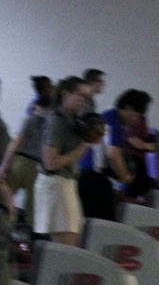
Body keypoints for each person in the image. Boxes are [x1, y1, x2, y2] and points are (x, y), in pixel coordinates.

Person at [34, 76, 98, 246]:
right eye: (80, 95)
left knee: (73, 241)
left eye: (86, 97)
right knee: (66, 246)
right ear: (65, 94)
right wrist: (84, 147)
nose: (84, 100)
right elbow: (50, 162)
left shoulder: (74, 120)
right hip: (55, 183)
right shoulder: (57, 121)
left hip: (66, 183)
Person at [0, 76, 54, 228]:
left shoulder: (29, 119)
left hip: (20, 162)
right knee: (32, 211)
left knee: (4, 199)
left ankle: (6, 227)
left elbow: (15, 143)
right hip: (38, 167)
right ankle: (28, 239)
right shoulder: (54, 125)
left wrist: (4, 167)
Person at [77, 89, 138, 220]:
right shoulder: (113, 120)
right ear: (128, 109)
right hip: (92, 177)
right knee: (102, 222)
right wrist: (125, 177)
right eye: (136, 115)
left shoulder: (109, 116)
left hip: (87, 175)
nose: (136, 120)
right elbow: (113, 153)